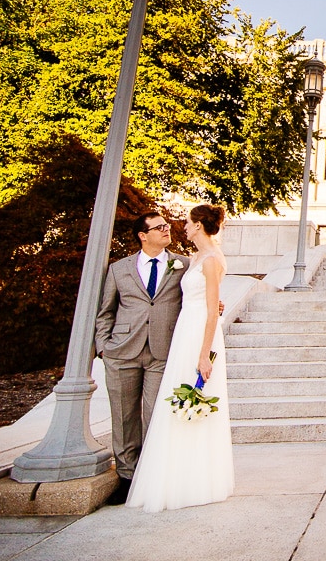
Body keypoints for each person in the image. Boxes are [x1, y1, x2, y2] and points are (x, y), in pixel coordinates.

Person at [126, 203, 234, 512]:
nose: (182, 227)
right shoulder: (195, 258)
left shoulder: (212, 260)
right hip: (185, 331)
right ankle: (175, 476)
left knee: (194, 401)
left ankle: (194, 481)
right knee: (176, 403)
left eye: (187, 222)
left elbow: (212, 310)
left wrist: (204, 355)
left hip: (200, 335)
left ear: (199, 225)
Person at [95, 212, 190, 506]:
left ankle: (150, 476)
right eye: (159, 227)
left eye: (167, 225)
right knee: (123, 418)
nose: (167, 230)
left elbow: (196, 298)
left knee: (155, 416)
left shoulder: (183, 264)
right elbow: (106, 311)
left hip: (163, 352)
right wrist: (104, 347)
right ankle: (126, 478)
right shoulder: (119, 268)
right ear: (142, 235)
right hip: (122, 351)